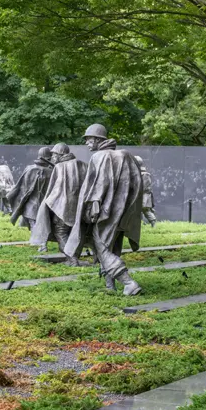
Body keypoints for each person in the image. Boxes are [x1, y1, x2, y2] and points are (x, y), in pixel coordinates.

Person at [63, 124, 143, 296]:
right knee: (113, 247)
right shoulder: (126, 155)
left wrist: (93, 206)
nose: (86, 143)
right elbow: (137, 184)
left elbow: (97, 185)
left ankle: (129, 283)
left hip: (104, 212)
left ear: (98, 139)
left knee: (102, 247)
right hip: (122, 212)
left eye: (88, 139)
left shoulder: (99, 157)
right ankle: (109, 285)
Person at [30, 143, 87, 253]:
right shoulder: (83, 164)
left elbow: (54, 190)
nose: (52, 157)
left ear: (60, 154)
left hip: (63, 206)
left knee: (60, 231)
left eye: (54, 155)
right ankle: (73, 254)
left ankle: (71, 257)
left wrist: (48, 204)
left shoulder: (59, 167)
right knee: (77, 231)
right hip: (81, 206)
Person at [7, 147, 54, 230]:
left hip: (30, 207)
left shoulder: (29, 169)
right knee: (37, 230)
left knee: (36, 229)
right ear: (49, 158)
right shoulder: (51, 172)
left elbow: (22, 188)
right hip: (42, 208)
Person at [134, 155, 156, 227]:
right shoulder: (138, 174)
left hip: (143, 196)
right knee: (139, 211)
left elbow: (145, 187)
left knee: (145, 210)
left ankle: (153, 223)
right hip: (140, 195)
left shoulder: (144, 175)